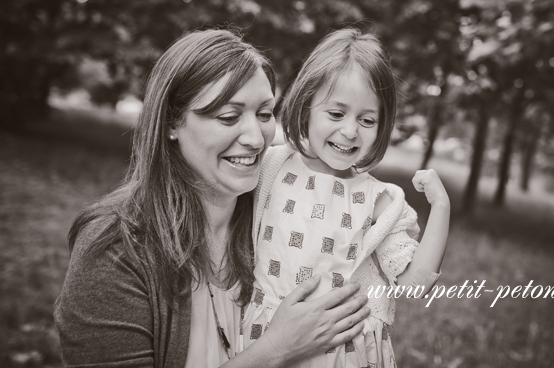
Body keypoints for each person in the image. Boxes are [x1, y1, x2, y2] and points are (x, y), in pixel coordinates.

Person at [54, 29, 370, 367]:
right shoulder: (116, 248)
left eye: (264, 114)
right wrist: (277, 350)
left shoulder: (278, 222)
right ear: (171, 122)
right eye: (228, 117)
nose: (255, 138)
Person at [243, 28, 451, 367]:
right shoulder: (272, 166)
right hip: (267, 340)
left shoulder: (381, 201)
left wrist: (441, 208)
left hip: (341, 353)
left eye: (367, 120)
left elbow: (414, 286)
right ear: (306, 105)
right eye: (336, 114)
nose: (351, 131)